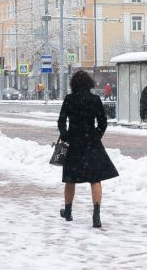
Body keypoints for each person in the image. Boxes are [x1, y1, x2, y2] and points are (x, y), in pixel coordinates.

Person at [57, 70, 119, 228]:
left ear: (74, 84)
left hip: (74, 142)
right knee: (95, 179)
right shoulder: (95, 99)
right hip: (92, 143)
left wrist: (65, 135)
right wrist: (96, 135)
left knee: (70, 178)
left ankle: (68, 211)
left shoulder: (69, 99)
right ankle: (96, 214)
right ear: (89, 83)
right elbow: (103, 122)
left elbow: (61, 121)